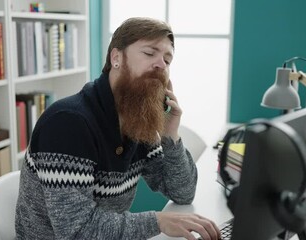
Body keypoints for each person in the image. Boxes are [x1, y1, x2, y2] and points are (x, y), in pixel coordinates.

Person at [15, 17, 220, 240]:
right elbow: (76, 231)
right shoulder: (67, 123)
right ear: (116, 58)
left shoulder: (139, 119)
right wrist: (158, 221)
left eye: (167, 60)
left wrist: (170, 135)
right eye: (150, 53)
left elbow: (183, 192)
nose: (161, 64)